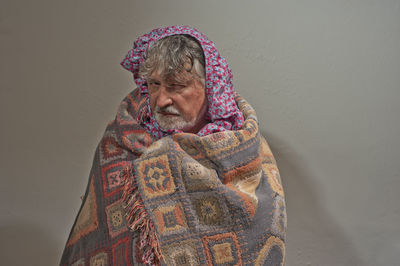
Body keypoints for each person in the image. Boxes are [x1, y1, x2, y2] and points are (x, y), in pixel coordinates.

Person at [60, 25, 286, 266]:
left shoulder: (245, 147)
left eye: (177, 86)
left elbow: (261, 232)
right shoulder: (122, 141)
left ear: (210, 87)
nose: (162, 99)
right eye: (155, 84)